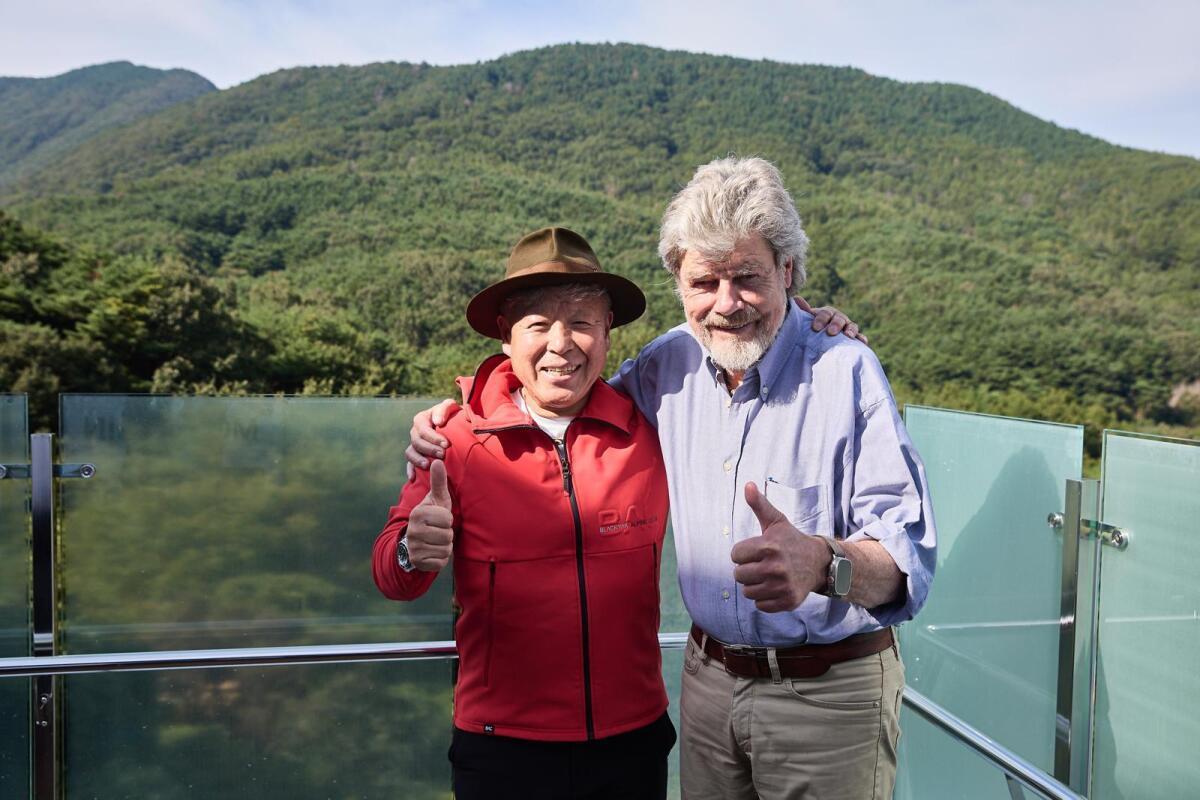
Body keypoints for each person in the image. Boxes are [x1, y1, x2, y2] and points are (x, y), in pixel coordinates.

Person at [409, 157, 937, 799]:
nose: (726, 303)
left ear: (787, 271)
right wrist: (461, 412)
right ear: (679, 285)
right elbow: (562, 394)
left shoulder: (846, 372)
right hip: (707, 687)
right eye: (704, 282)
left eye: (747, 278)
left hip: (826, 699)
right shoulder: (668, 368)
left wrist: (825, 563)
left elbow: (908, 563)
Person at [372, 226, 676, 800]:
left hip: (632, 740)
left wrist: (810, 319)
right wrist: (414, 549)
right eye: (538, 324)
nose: (562, 344)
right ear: (505, 336)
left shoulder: (650, 430)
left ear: (608, 331)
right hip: (502, 748)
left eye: (582, 322)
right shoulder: (454, 441)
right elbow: (392, 576)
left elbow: (730, 349)